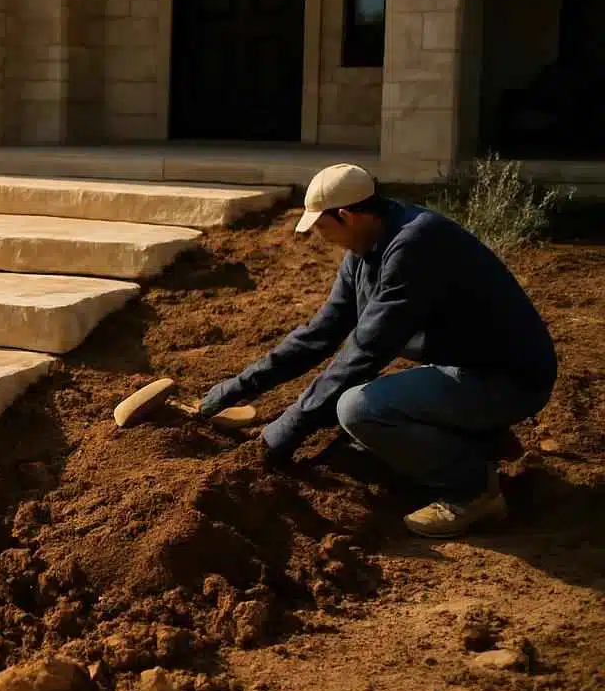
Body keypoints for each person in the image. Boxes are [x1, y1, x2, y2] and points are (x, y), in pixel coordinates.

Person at [198, 163, 557, 538]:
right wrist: (233, 390)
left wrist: (286, 430)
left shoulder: (415, 246)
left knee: (358, 409)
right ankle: (480, 438)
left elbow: (366, 352)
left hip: (508, 380)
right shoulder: (366, 247)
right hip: (468, 368)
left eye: (321, 227)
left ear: (346, 215)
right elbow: (320, 334)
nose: (320, 238)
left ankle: (475, 490)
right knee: (361, 435)